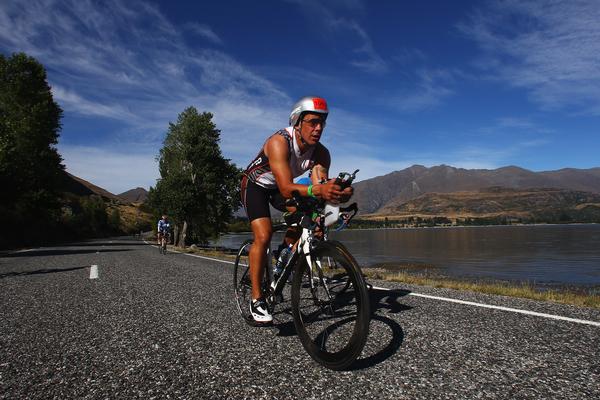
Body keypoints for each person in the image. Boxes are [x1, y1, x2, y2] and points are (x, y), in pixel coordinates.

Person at [240, 96, 353, 323]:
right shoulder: (278, 142)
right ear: (297, 123)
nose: (318, 128)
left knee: (307, 216)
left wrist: (335, 194)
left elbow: (319, 184)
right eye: (312, 122)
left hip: (281, 188)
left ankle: (284, 254)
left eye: (322, 123)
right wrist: (318, 191)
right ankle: (256, 299)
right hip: (255, 185)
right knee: (264, 234)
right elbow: (285, 187)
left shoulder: (322, 153)